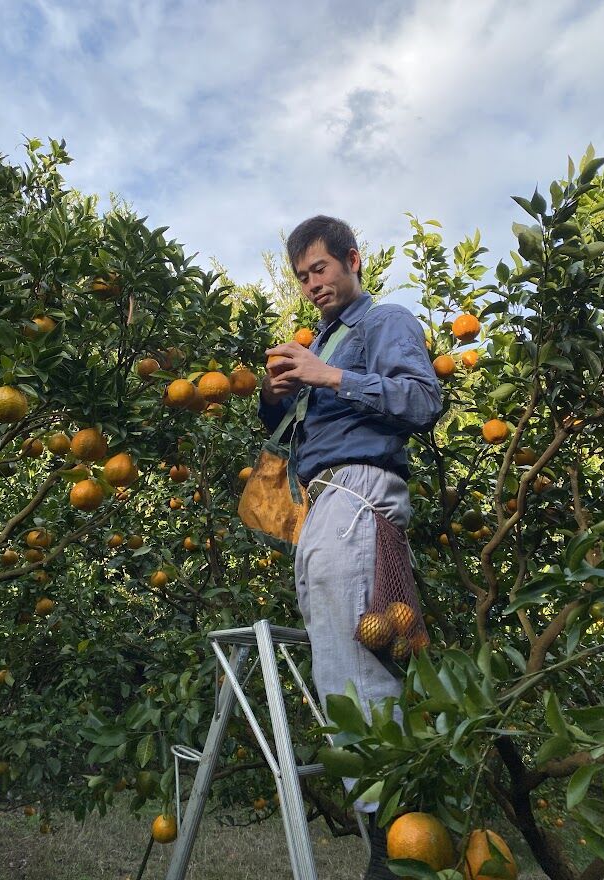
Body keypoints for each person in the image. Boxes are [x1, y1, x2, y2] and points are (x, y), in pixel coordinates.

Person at [258, 215, 442, 879]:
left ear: (351, 260)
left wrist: (330, 376)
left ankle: (399, 846)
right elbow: (299, 427)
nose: (312, 284)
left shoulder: (381, 321)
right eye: (302, 276)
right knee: (338, 666)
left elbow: (422, 400)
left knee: (357, 672)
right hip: (323, 502)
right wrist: (277, 395)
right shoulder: (327, 339)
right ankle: (387, 839)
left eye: (320, 269)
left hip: (358, 491)